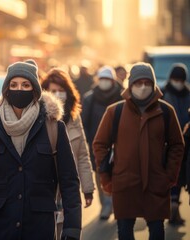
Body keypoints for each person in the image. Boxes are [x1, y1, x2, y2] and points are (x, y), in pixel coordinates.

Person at [0, 60, 81, 240]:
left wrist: (72, 227)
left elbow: (69, 181)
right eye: (14, 84)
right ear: (6, 89)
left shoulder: (53, 127)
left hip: (38, 227)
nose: (19, 89)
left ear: (35, 90)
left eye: (26, 85)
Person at [93, 62, 184, 240]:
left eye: (147, 83)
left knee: (157, 231)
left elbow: (177, 145)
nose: (143, 87)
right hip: (125, 184)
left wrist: (170, 175)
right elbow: (100, 144)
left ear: (153, 84)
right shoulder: (115, 112)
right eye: (138, 83)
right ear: (130, 84)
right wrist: (106, 177)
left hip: (156, 183)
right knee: (125, 232)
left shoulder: (166, 111)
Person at [41, 67, 95, 205]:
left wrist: (87, 189)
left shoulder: (74, 118)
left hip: (69, 189)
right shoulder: (38, 118)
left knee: (70, 225)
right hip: (43, 190)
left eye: (61, 91)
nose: (57, 95)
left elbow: (83, 154)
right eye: (53, 91)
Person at [81, 65, 122, 220]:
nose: (104, 82)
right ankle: (105, 204)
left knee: (117, 174)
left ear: (112, 80)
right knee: (100, 174)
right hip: (96, 144)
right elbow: (84, 122)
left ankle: (113, 203)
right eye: (102, 79)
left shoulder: (121, 96)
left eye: (107, 79)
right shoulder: (89, 98)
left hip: (118, 143)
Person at [161, 63, 190, 225]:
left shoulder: (188, 93)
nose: (177, 82)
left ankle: (174, 209)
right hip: (165, 142)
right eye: (175, 79)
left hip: (185, 142)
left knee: (179, 176)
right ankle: (168, 209)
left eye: (180, 79)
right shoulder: (163, 93)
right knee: (167, 175)